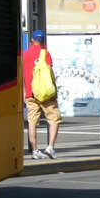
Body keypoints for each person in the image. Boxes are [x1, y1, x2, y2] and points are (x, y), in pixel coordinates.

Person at [23, 30, 61, 161]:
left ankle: (35, 151)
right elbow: (49, 73)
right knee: (54, 119)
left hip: (30, 93)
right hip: (45, 93)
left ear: (31, 40)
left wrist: (24, 92)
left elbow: (22, 75)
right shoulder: (45, 53)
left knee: (32, 122)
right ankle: (50, 147)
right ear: (43, 41)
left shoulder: (25, 54)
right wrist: (54, 90)